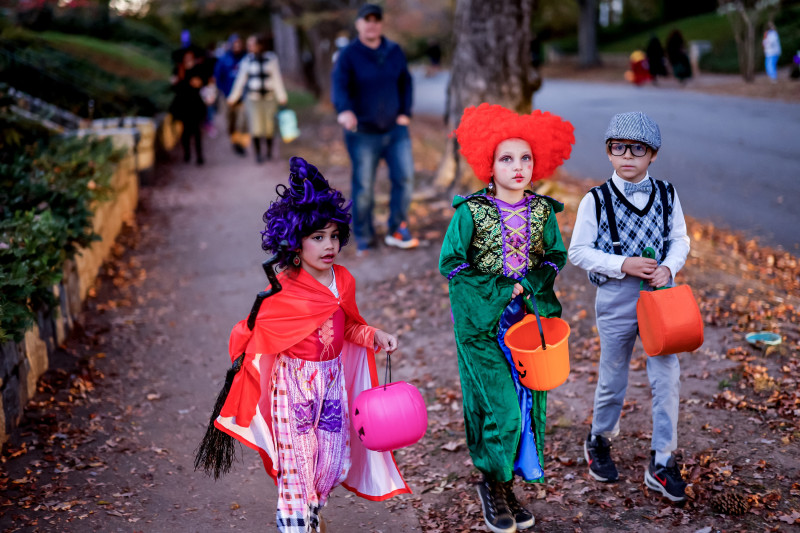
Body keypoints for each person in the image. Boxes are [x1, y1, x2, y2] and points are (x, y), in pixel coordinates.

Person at [215, 157, 410, 532]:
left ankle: (311, 509)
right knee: (297, 462)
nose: (329, 245)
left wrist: (375, 335)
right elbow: (261, 332)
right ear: (295, 240)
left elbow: (350, 326)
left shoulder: (344, 280)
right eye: (317, 237)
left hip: (332, 381)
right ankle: (296, 520)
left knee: (331, 461)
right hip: (293, 385)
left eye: (334, 236)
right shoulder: (284, 288)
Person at [440, 103, 574, 533]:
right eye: (506, 158)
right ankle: (491, 483)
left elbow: (554, 255)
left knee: (523, 402)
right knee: (498, 405)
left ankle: (504, 483)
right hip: (481, 324)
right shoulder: (471, 212)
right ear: (488, 165)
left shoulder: (541, 212)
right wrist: (502, 288)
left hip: (525, 326)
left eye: (526, 158)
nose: (518, 167)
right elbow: (452, 264)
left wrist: (532, 283)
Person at [568, 112, 691, 503]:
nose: (627, 156)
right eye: (618, 147)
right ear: (608, 152)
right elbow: (579, 251)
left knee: (667, 376)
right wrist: (621, 263)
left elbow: (681, 239)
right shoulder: (596, 199)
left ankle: (663, 459)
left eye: (637, 149)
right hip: (616, 298)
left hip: (659, 298)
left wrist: (669, 266)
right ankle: (599, 438)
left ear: (652, 154)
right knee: (613, 374)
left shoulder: (668, 194)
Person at [331, 3, 418, 254]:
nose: (371, 24)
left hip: (395, 130)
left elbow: (406, 82)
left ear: (381, 24)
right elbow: (339, 85)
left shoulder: (393, 50)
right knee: (364, 188)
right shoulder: (348, 54)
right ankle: (364, 237)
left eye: (376, 20)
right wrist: (345, 110)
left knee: (405, 179)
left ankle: (397, 229)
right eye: (366, 19)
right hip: (362, 133)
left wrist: (405, 113)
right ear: (358, 24)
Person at [228, 34, 288, 163]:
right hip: (253, 99)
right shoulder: (246, 61)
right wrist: (233, 97)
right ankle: (258, 154)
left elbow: (276, 78)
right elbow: (240, 81)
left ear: (260, 45)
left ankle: (269, 152)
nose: (250, 47)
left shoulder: (271, 59)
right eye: (249, 44)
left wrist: (282, 96)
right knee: (256, 127)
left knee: (269, 127)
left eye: (252, 44)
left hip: (269, 98)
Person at [169, 49, 209, 165]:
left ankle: (199, 155)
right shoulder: (178, 69)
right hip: (183, 104)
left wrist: (199, 83)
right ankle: (187, 153)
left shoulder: (198, 68)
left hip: (195, 104)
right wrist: (175, 82)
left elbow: (205, 82)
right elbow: (174, 88)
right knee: (185, 131)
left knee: (196, 131)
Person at [214, 34, 249, 155]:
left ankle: (241, 143)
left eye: (239, 43)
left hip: (243, 97)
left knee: (243, 121)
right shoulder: (224, 59)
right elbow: (218, 78)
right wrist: (225, 93)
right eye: (235, 44)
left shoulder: (246, 58)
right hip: (228, 97)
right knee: (231, 121)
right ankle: (234, 141)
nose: (237, 46)